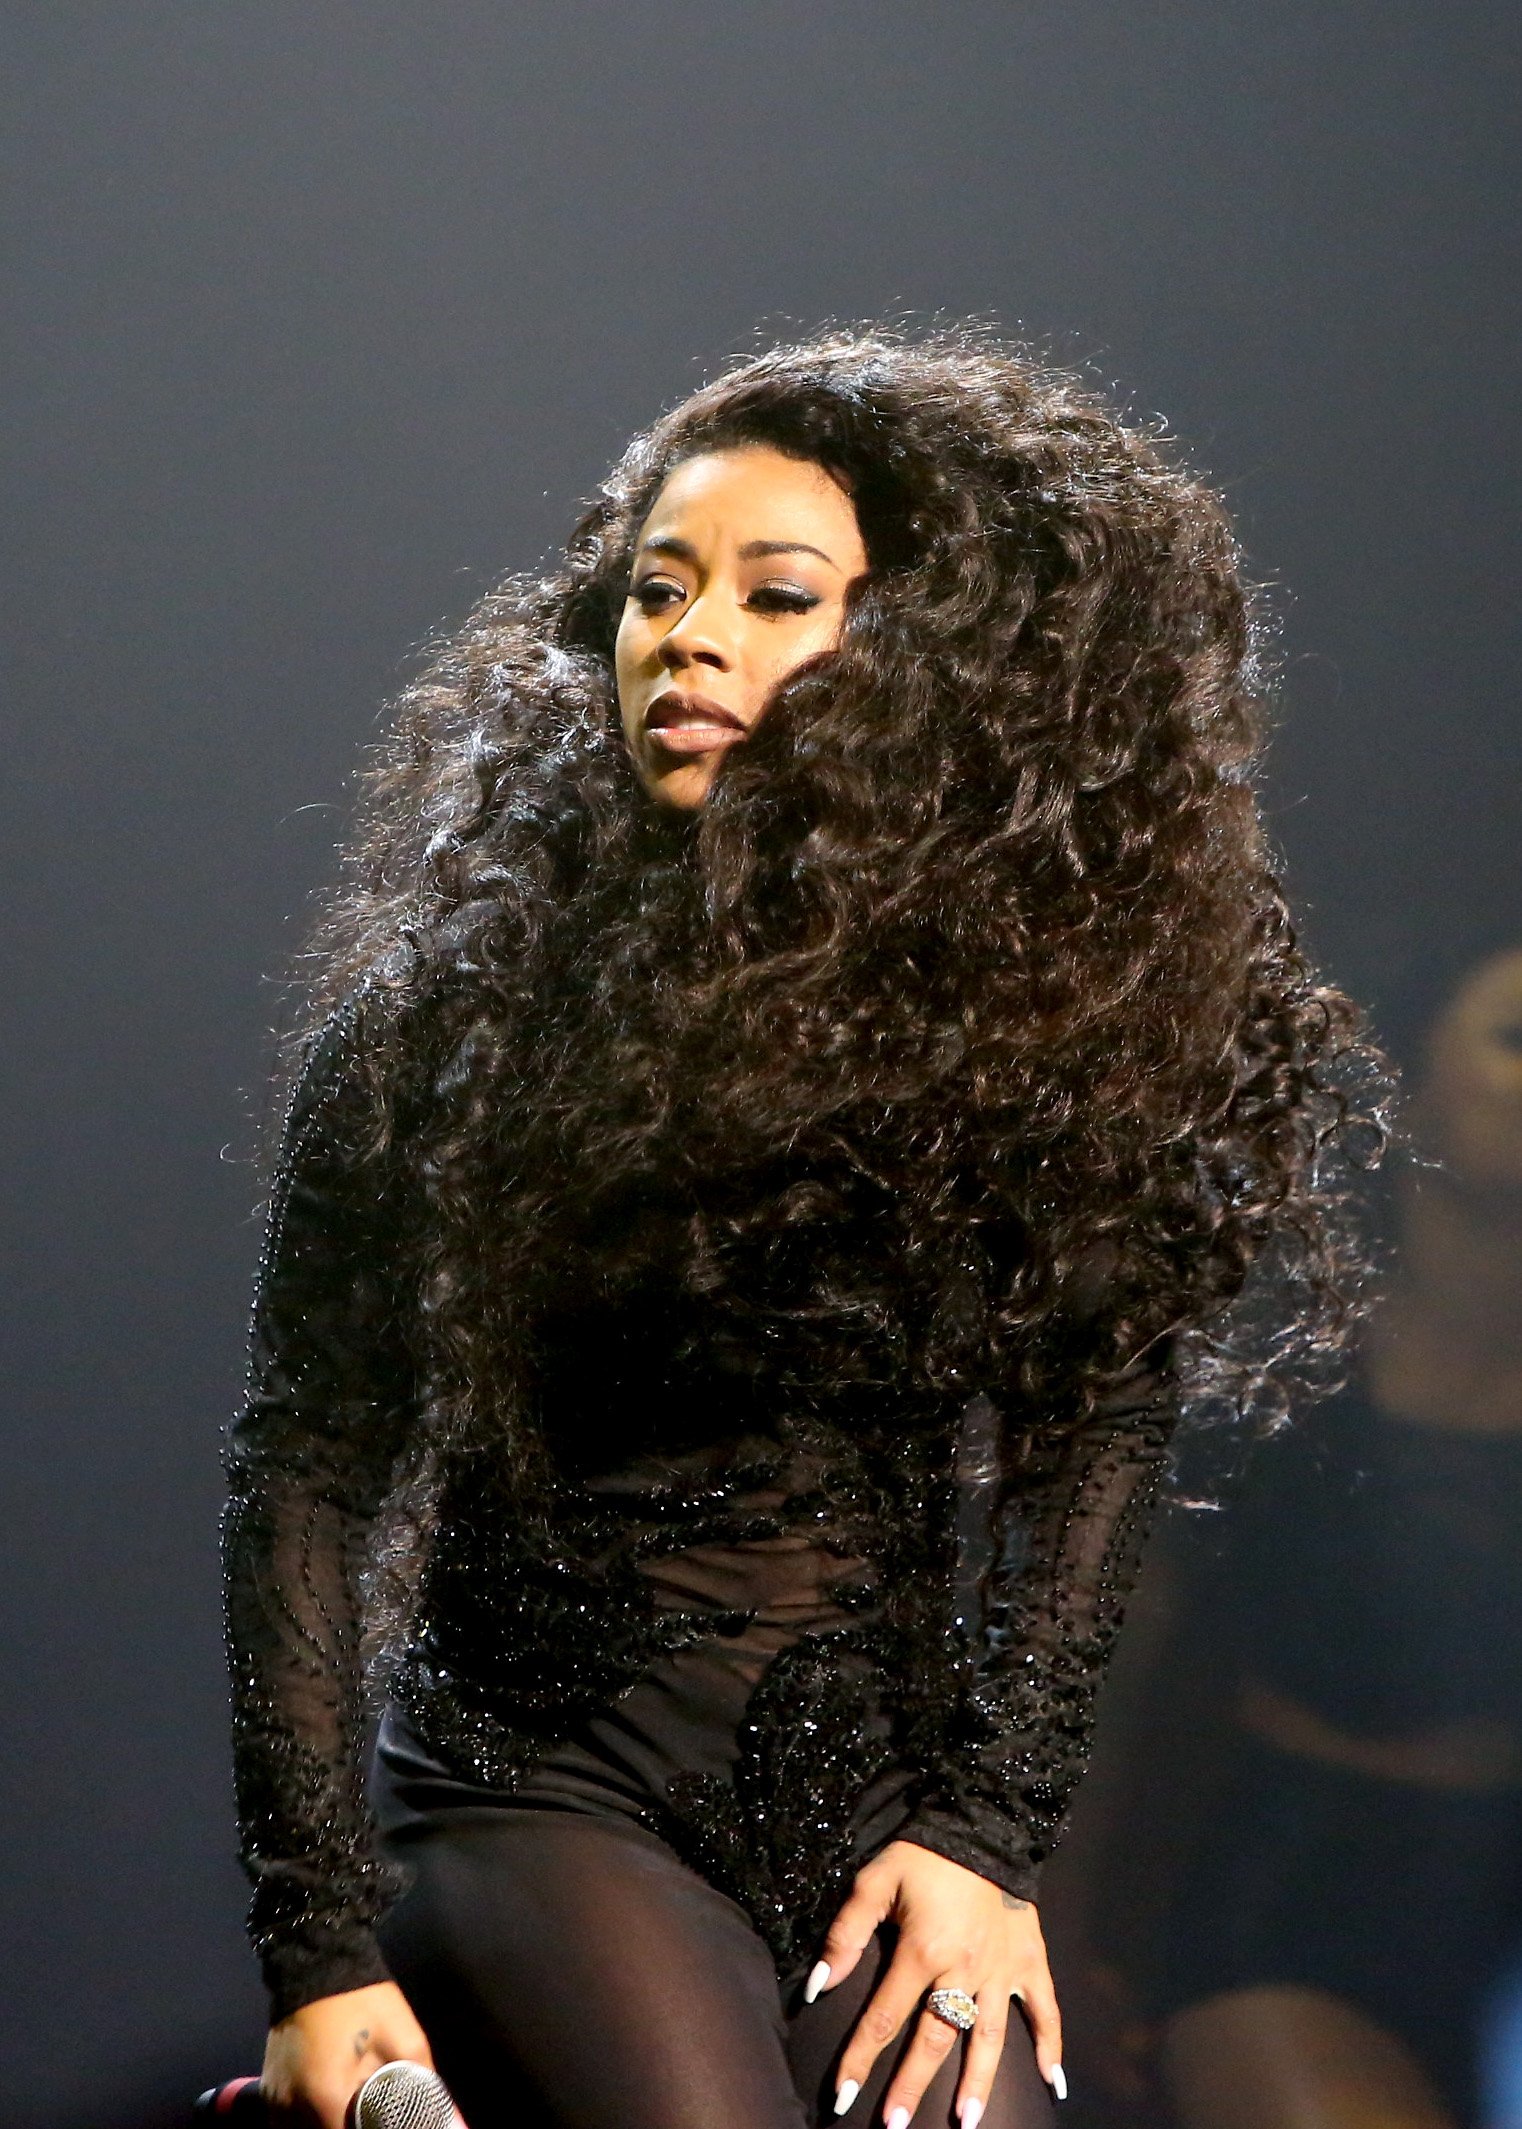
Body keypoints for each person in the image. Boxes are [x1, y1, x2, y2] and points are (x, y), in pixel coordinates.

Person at [222, 324, 1382, 2129]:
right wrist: (320, 1947)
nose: (686, 636)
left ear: (923, 660)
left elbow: (1098, 1437)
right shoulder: (450, 1016)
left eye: (773, 596)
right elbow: (303, 1465)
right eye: (654, 589)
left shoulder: (1037, 1030)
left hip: (878, 1810)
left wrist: (986, 1840)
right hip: (538, 1784)